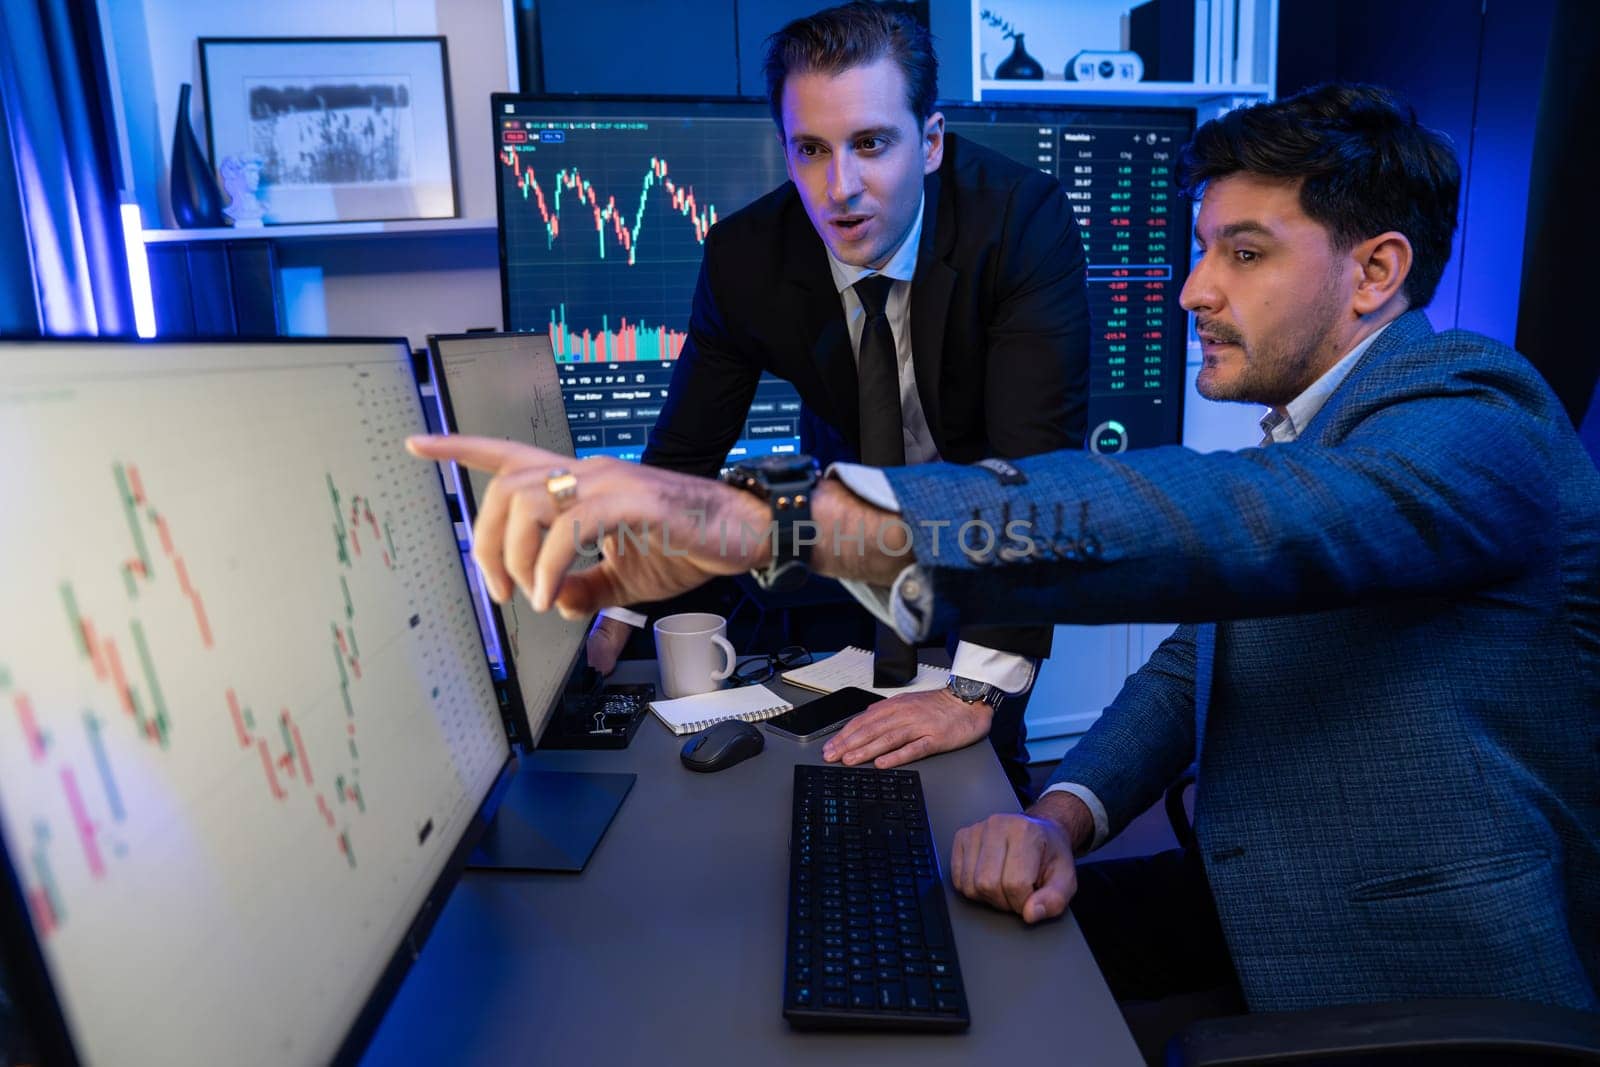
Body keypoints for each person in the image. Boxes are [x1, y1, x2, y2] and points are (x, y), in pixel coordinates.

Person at [412, 81, 1600, 1032]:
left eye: (1243, 254)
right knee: (934, 945)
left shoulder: (1479, 419)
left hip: (1415, 985)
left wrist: (778, 519)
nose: (1191, 289)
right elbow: (1206, 661)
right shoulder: (1330, 437)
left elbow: (1223, 517)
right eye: (1201, 249)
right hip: (1244, 895)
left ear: (1376, 271)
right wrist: (1068, 814)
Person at [585, 1, 1091, 799]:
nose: (840, 188)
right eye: (811, 150)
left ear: (929, 142)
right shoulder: (746, 257)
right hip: (858, 526)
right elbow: (684, 455)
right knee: (841, 758)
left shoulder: (1021, 223)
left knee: (982, 774)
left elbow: (1031, 467)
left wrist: (977, 693)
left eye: (871, 144)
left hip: (986, 532)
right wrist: (618, 613)